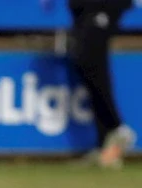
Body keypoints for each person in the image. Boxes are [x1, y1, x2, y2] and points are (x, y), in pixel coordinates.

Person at [58, 0, 137, 166]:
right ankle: (105, 142)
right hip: (82, 5)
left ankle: (117, 128)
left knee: (88, 58)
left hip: (104, 5)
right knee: (87, 61)